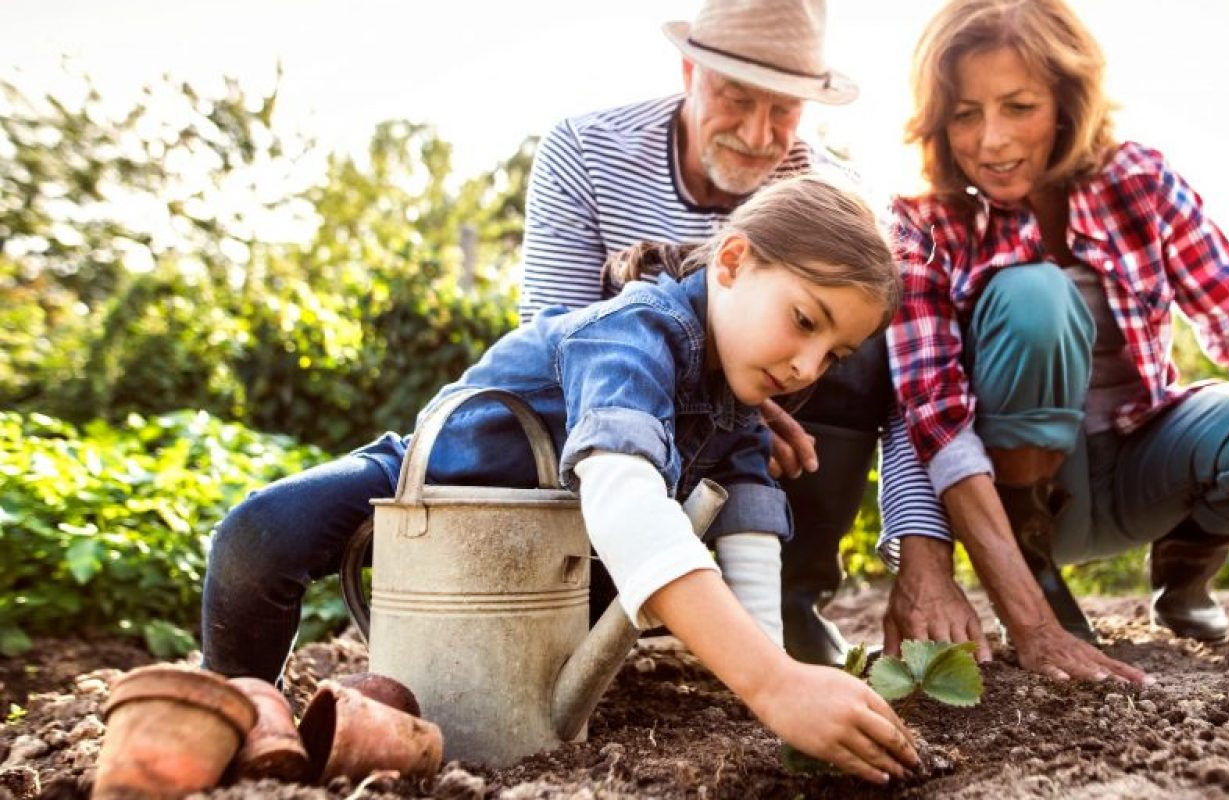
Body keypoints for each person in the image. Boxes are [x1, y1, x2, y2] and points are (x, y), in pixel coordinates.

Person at [201, 176, 920, 783]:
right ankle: (239, 709)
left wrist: (774, 670)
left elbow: (750, 529)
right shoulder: (634, 334)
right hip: (429, 489)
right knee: (260, 532)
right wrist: (772, 684)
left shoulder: (736, 397)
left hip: (539, 565)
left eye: (834, 355)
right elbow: (623, 493)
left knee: (606, 604)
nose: (805, 367)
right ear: (732, 261)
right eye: (804, 321)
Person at [878, 0, 1229, 684]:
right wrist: (1032, 625)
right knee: (1034, 296)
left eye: (1018, 106)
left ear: (1065, 99)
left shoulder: (1138, 180)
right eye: (965, 113)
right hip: (1028, 498)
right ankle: (1038, 579)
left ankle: (1185, 566)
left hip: (1147, 461)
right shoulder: (922, 224)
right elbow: (933, 421)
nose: (991, 140)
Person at [519, 0, 954, 665]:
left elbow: (913, 394)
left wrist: (922, 556)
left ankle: (788, 599)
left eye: (784, 110)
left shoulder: (834, 196)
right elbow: (553, 332)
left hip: (759, 444)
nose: (758, 134)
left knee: (853, 332)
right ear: (689, 69)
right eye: (737, 97)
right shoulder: (585, 151)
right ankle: (598, 586)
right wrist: (731, 399)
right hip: (620, 421)